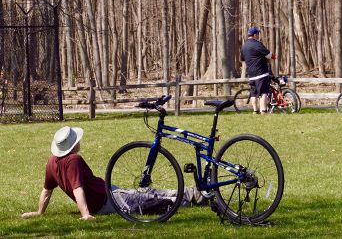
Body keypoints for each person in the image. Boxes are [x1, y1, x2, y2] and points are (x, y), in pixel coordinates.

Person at [21, 126, 203, 220]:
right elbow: (78, 189)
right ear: (72, 145)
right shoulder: (74, 160)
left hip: (108, 191)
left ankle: (190, 193)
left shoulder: (52, 162)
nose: (79, 142)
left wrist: (39, 212)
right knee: (145, 201)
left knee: (142, 193)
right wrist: (85, 214)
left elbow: (46, 191)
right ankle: (189, 198)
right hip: (106, 200)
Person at [240, 27, 277, 114]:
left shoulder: (244, 46)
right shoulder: (257, 44)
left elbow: (242, 59)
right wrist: (274, 57)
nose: (258, 36)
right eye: (258, 34)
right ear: (255, 35)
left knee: (253, 93)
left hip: (251, 75)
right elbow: (269, 55)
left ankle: (255, 110)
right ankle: (263, 110)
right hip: (261, 73)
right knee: (264, 92)